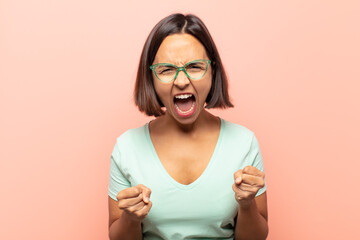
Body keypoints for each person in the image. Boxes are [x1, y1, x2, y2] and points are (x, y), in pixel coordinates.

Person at [108, 13, 268, 240]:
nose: (181, 81)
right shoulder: (126, 147)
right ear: (150, 77)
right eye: (166, 69)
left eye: (194, 66)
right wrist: (131, 218)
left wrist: (247, 204)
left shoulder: (244, 143)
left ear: (213, 70)